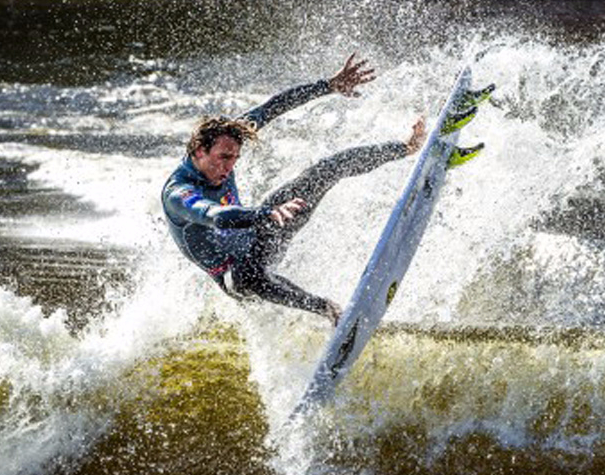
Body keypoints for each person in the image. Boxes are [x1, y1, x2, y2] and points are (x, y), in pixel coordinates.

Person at [161, 54, 427, 322]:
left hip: (259, 235)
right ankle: (329, 310)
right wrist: (266, 214)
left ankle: (407, 147)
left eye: (235, 159)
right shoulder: (178, 193)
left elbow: (273, 107)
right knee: (247, 276)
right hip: (234, 277)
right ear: (198, 151)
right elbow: (217, 216)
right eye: (223, 158)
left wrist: (330, 85)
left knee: (326, 169)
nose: (229, 168)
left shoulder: (228, 138)